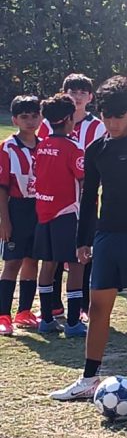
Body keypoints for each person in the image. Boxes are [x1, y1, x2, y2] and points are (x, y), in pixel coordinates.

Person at [49, 76, 127, 404]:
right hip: (106, 237)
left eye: (119, 116)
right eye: (107, 116)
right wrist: (83, 241)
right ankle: (89, 378)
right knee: (99, 307)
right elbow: (89, 197)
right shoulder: (96, 149)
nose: (113, 122)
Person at [38, 74, 105, 321]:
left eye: (81, 91)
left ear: (90, 97)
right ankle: (56, 309)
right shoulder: (51, 127)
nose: (77, 96)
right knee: (67, 257)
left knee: (76, 257)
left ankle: (80, 308)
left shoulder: (97, 126)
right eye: (72, 91)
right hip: (64, 205)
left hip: (73, 204)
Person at [32, 94, 86, 336]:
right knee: (76, 265)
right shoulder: (73, 147)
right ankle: (74, 322)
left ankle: (46, 319)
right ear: (67, 119)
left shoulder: (41, 145)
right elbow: (84, 181)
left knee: (48, 263)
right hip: (67, 212)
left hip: (43, 212)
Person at [0, 96, 43, 334]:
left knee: (32, 260)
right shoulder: (8, 147)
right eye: (24, 117)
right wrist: (4, 220)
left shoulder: (45, 145)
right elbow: (2, 186)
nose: (29, 121)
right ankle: (3, 314)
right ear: (15, 119)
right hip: (16, 208)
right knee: (12, 262)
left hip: (39, 208)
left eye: (34, 116)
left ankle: (24, 311)